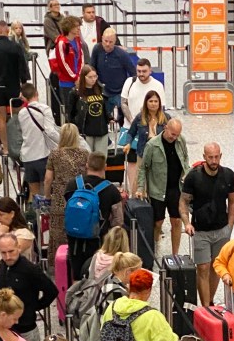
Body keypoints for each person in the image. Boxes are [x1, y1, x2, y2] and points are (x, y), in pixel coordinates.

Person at [181, 142, 234, 306]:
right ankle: (205, 306)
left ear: (221, 156)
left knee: (216, 267)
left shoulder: (229, 175)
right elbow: (183, 202)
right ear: (204, 157)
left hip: (221, 229)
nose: (214, 160)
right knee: (203, 267)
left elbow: (233, 201)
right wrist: (186, 223)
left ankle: (210, 301)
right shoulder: (193, 177)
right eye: (210, 157)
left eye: (216, 157)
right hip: (200, 230)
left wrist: (230, 226)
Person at [0, 233, 58, 341]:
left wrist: (34, 307)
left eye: (11, 251)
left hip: (25, 330)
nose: (7, 256)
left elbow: (52, 291)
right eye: (3, 253)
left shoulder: (30, 269)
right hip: (4, 329)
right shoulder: (2, 265)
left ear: (19, 248)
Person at [63, 153, 124, 281]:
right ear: (105, 167)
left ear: (87, 165)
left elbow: (67, 210)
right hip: (99, 241)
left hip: (74, 240)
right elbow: (118, 221)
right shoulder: (112, 190)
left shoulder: (72, 185)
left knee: (77, 277)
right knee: (97, 277)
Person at [137, 118, 189, 256]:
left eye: (177, 135)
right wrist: (140, 188)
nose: (174, 137)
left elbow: (185, 159)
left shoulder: (180, 141)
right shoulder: (152, 145)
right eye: (172, 134)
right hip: (157, 190)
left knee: (177, 221)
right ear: (165, 128)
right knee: (158, 223)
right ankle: (153, 252)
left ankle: (175, 254)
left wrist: (187, 176)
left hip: (175, 188)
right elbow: (143, 168)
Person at [43, 123, 89, 259]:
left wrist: (47, 196)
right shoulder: (84, 154)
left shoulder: (55, 154)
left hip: (59, 199)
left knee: (58, 234)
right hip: (79, 199)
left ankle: (59, 263)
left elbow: (48, 179)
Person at [0, 20, 30, 149]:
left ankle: (4, 148)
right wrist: (23, 84)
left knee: (1, 119)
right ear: (7, 30)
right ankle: (21, 145)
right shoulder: (15, 47)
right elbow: (22, 68)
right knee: (19, 116)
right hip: (13, 87)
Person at [17, 83, 60, 200]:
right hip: (43, 155)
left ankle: (34, 215)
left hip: (28, 156)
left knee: (34, 192)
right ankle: (47, 216)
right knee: (47, 190)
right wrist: (62, 142)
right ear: (37, 94)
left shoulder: (21, 113)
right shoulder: (44, 109)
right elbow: (50, 131)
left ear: (23, 98)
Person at [89, 28, 134, 121]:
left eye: (111, 42)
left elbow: (133, 73)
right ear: (101, 38)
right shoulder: (97, 49)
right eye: (105, 41)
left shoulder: (122, 54)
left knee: (123, 120)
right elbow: (92, 68)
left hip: (119, 92)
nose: (107, 44)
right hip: (102, 92)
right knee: (101, 120)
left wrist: (128, 90)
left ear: (115, 42)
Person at [67, 65, 109, 153]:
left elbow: (105, 107)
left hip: (101, 129)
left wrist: (110, 117)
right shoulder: (75, 93)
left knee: (100, 159)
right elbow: (71, 113)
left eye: (95, 76)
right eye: (90, 77)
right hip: (85, 131)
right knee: (86, 159)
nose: (93, 79)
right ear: (84, 77)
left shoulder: (101, 89)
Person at [50, 16, 86, 113]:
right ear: (69, 28)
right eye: (76, 26)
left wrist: (79, 76)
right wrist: (75, 78)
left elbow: (81, 58)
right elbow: (63, 64)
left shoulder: (77, 40)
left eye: (79, 26)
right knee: (69, 111)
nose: (79, 28)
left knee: (80, 109)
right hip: (66, 82)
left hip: (78, 80)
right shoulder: (62, 43)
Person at [120, 58, 165, 123]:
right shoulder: (129, 82)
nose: (141, 74)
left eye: (144, 71)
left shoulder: (158, 85)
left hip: (149, 126)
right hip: (128, 127)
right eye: (139, 71)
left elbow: (161, 108)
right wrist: (132, 121)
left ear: (150, 71)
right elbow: (123, 103)